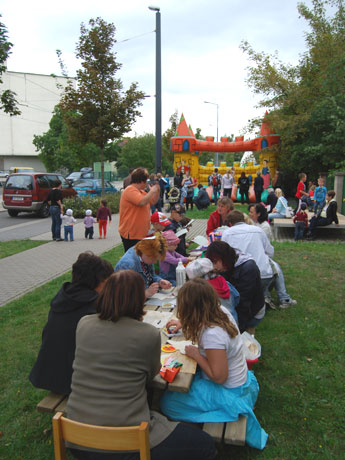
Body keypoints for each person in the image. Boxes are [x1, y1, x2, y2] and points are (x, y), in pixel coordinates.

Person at [67, 271, 216, 460]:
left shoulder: (84, 324)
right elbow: (152, 373)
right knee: (205, 444)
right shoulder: (147, 334)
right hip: (126, 442)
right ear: (138, 300)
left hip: (75, 434)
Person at [160, 278, 268, 450]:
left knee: (167, 403)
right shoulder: (220, 310)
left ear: (191, 308)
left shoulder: (213, 335)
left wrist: (196, 355)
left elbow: (219, 377)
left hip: (228, 390)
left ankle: (208, 422)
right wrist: (184, 323)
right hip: (238, 381)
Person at [29, 252, 113, 395]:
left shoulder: (65, 296)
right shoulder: (92, 307)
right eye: (107, 282)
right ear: (99, 281)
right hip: (74, 381)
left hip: (49, 374)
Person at [222, 210, 297, 309]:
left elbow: (224, 257)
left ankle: (263, 297)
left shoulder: (227, 233)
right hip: (265, 276)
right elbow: (270, 252)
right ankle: (279, 297)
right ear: (244, 220)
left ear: (230, 223)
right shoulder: (258, 230)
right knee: (272, 266)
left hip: (241, 278)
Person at [205, 241, 265, 333]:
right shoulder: (227, 263)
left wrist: (235, 331)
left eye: (215, 262)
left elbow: (244, 305)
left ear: (223, 258)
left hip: (251, 313)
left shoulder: (248, 269)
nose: (213, 267)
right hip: (234, 307)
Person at [114, 233, 171, 298]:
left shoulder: (145, 257)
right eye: (153, 259)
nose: (154, 262)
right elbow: (122, 296)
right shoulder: (127, 265)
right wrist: (145, 293)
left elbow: (150, 276)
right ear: (145, 252)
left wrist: (159, 281)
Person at [186, 257, 239, 323]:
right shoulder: (225, 282)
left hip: (215, 325)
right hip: (232, 321)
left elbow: (197, 312)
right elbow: (237, 298)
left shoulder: (201, 291)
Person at [118, 167, 160, 252]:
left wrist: (157, 191)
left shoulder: (140, 192)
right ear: (141, 180)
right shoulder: (130, 190)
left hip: (141, 234)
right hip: (132, 234)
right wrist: (152, 191)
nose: (147, 183)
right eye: (146, 180)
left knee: (142, 260)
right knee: (135, 259)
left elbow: (152, 201)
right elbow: (142, 202)